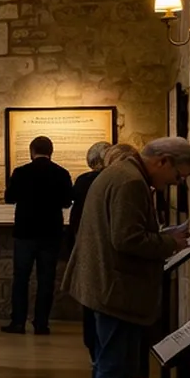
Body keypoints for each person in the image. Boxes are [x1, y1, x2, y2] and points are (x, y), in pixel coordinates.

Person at [65, 137, 190, 378]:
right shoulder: (131, 182)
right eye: (179, 176)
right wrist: (171, 241)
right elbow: (127, 239)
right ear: (163, 161)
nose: (176, 183)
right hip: (115, 290)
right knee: (113, 368)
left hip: (105, 286)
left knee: (109, 366)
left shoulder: (120, 173)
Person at [3, 135, 74, 335]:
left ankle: (17, 322)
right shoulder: (61, 173)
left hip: (25, 231)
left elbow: (10, 198)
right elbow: (67, 202)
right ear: (51, 151)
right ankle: (41, 323)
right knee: (46, 279)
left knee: (21, 278)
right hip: (51, 232)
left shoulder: (21, 172)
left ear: (32, 151)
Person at [69, 141, 112, 360]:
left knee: (89, 297)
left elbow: (75, 212)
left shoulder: (84, 181)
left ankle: (93, 347)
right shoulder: (112, 181)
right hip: (107, 249)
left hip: (86, 244)